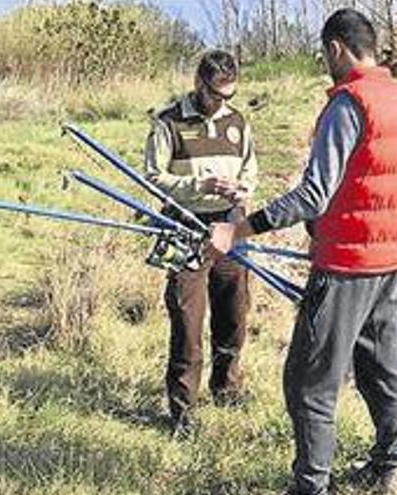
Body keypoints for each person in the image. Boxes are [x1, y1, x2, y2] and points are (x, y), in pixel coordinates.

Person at [209, 9, 397, 495]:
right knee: (385, 369)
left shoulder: (349, 104)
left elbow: (313, 195)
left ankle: (310, 486)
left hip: (347, 268)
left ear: (336, 49)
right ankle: (387, 470)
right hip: (392, 264)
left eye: (323, 53)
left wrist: (240, 230)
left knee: (310, 384)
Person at [145, 49, 258, 433]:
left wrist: (241, 191)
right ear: (198, 83)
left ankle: (226, 387)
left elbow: (250, 171)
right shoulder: (168, 123)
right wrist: (199, 186)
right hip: (185, 231)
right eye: (216, 95)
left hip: (230, 228)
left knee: (234, 314)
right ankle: (182, 411)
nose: (222, 104)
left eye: (230, 96)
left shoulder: (238, 122)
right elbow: (151, 178)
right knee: (188, 321)